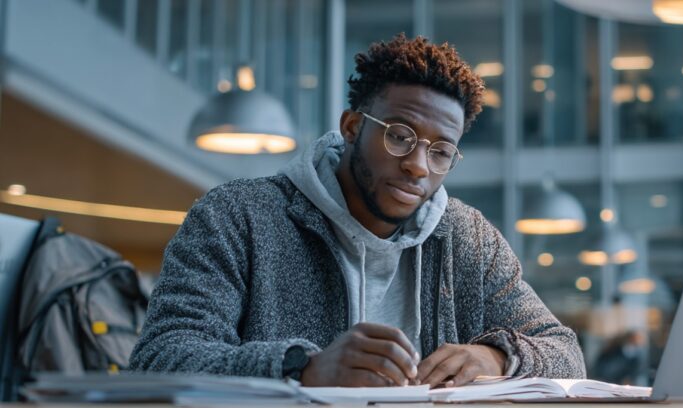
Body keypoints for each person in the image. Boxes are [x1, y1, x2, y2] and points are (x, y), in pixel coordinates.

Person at [128, 34, 585, 388]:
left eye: (441, 151)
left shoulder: (466, 237)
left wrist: (498, 358)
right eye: (400, 136)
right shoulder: (237, 216)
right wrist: (302, 368)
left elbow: (565, 352)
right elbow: (161, 358)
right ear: (351, 127)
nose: (417, 165)